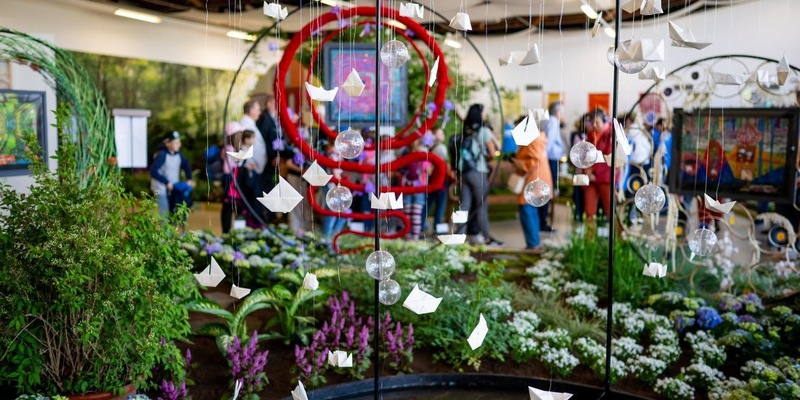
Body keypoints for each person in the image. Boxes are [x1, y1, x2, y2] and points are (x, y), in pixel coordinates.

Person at [455, 103, 502, 246]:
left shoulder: (466, 130)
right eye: (484, 112)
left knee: (464, 206)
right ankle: (487, 237)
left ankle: (459, 236)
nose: (485, 115)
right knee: (481, 206)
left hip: (464, 172)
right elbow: (494, 152)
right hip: (478, 172)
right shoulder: (484, 131)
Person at [515, 115, 552, 250]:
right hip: (538, 179)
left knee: (526, 209)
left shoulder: (533, 139)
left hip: (532, 179)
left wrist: (520, 164)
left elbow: (534, 161)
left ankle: (533, 243)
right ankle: (534, 242)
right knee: (531, 210)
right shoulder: (538, 137)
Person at [150, 131, 194, 219]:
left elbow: (186, 164)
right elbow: (153, 171)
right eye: (175, 142)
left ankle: (171, 232)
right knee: (165, 213)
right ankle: (165, 232)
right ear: (167, 143)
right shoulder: (162, 155)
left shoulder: (178, 154)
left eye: (179, 142)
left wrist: (189, 178)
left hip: (173, 188)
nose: (179, 144)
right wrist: (166, 182)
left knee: (173, 212)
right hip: (161, 188)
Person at [221, 124, 257, 233]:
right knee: (229, 207)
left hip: (237, 182)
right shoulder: (229, 148)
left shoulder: (237, 148)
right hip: (232, 182)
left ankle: (238, 231)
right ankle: (226, 232)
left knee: (240, 207)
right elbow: (228, 168)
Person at [240, 99, 267, 228]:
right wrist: (252, 162)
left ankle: (255, 224)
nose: (260, 112)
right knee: (252, 199)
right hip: (251, 168)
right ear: (250, 111)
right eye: (257, 109)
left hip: (255, 168)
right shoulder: (245, 124)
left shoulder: (250, 123)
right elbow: (246, 146)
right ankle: (254, 225)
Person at [584, 109, 613, 223]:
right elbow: (584, 153)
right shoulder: (590, 135)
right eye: (592, 122)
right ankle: (590, 239)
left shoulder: (611, 134)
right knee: (589, 210)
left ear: (604, 121)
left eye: (597, 122)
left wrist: (593, 170)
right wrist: (587, 171)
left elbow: (609, 156)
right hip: (590, 176)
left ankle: (617, 238)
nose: (595, 125)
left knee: (610, 209)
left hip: (605, 176)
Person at [256, 95, 282, 224]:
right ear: (269, 104)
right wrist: (272, 156)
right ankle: (267, 214)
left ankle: (270, 213)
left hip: (272, 159)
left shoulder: (272, 118)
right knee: (266, 187)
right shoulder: (264, 118)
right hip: (267, 160)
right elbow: (263, 140)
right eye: (276, 103)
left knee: (271, 186)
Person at [540, 101, 565, 232]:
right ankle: (543, 222)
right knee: (549, 189)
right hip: (550, 159)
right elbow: (548, 141)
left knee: (545, 189)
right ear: (557, 111)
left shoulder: (546, 120)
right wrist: (543, 156)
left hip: (547, 158)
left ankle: (542, 220)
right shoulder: (554, 122)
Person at [402, 137, 432, 240]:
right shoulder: (406, 154)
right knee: (407, 212)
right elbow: (401, 169)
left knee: (416, 213)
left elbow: (429, 171)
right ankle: (408, 235)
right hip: (407, 186)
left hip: (419, 187)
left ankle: (415, 236)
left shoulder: (424, 157)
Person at [427, 128, 449, 232]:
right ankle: (438, 228)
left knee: (428, 205)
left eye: (442, 133)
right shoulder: (440, 148)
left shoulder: (430, 148)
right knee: (440, 207)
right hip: (439, 182)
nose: (441, 135)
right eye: (439, 133)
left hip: (432, 181)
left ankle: (423, 226)